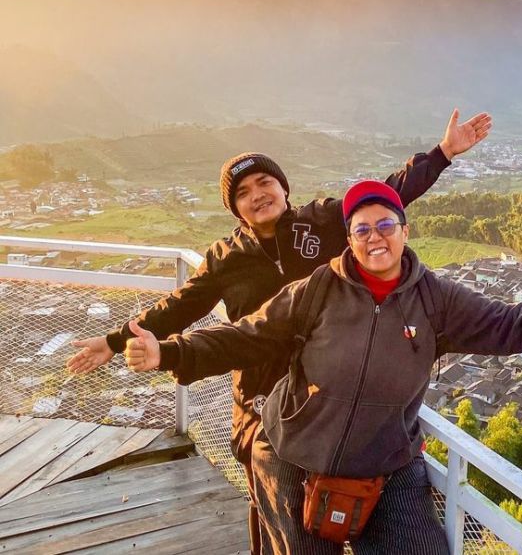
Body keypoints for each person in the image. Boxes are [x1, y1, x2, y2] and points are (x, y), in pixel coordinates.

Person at [67, 110, 491, 554]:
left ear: (283, 188)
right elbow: (179, 307)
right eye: (243, 193)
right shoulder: (225, 258)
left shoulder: (322, 221)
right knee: (282, 519)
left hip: (326, 400)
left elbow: (390, 193)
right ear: (234, 208)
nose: (257, 196)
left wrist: (442, 154)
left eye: (265, 183)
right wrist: (116, 342)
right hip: (262, 401)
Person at [125, 179, 522, 554]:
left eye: (385, 225)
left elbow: (507, 325)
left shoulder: (435, 299)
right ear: (349, 239)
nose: (374, 237)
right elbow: (248, 336)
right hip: (294, 454)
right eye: (361, 228)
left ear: (404, 230)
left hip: (386, 463)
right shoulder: (319, 288)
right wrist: (169, 352)